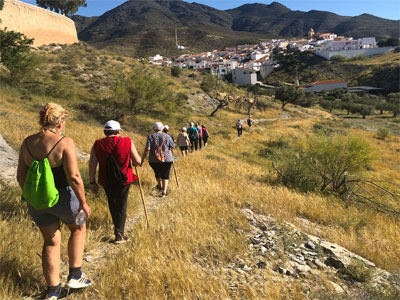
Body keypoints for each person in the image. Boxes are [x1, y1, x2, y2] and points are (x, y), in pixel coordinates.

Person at [17, 103, 92, 300]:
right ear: (59, 122)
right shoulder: (64, 142)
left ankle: (52, 291)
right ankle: (75, 275)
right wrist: (83, 202)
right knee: (78, 228)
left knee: (50, 241)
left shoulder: (27, 143)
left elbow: (20, 176)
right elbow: (74, 176)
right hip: (63, 197)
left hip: (38, 201)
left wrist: (34, 197)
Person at [89, 120, 141, 244]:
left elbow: (92, 164)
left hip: (106, 179)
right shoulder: (126, 141)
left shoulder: (97, 144)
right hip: (124, 179)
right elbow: (138, 161)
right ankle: (119, 235)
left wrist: (92, 182)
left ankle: (118, 231)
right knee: (121, 205)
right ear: (118, 131)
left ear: (105, 131)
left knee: (112, 204)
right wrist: (135, 162)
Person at [141, 122, 175, 197]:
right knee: (165, 174)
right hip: (167, 159)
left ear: (154, 128)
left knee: (157, 172)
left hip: (153, 159)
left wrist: (142, 159)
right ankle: (164, 192)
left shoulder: (150, 137)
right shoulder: (167, 136)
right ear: (162, 128)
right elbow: (173, 146)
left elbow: (148, 148)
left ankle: (159, 185)